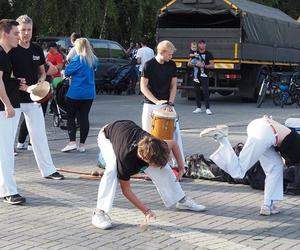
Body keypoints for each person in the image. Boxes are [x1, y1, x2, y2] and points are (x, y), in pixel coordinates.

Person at [92, 120, 206, 229]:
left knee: (164, 168)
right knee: (112, 170)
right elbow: (126, 191)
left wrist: (181, 167)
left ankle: (180, 199)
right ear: (144, 159)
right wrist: (146, 211)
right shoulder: (126, 160)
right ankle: (98, 212)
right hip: (107, 135)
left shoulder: (156, 144)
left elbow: (174, 144)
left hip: (126, 129)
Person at [200, 115, 300, 216]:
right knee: (238, 172)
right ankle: (222, 138)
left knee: (275, 166)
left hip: (262, 128)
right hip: (265, 133)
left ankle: (268, 204)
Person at [9, 15, 64, 181]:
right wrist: (17, 83)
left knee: (39, 135)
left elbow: (42, 71)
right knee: (7, 139)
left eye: (29, 30)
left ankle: (48, 170)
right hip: (14, 100)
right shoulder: (10, 49)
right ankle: (7, 176)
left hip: (34, 99)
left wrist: (41, 81)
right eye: (23, 30)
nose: (26, 33)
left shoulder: (37, 49)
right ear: (17, 30)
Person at [140, 40, 186, 166]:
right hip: (150, 105)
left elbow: (173, 86)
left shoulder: (171, 65)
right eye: (170, 54)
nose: (171, 57)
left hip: (167, 104)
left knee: (175, 134)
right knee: (147, 137)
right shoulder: (148, 65)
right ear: (162, 52)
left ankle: (178, 164)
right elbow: (143, 87)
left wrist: (170, 103)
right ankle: (146, 165)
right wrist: (156, 101)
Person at [0, 19, 25, 204]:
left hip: (8, 107)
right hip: (4, 110)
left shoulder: (6, 54)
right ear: (5, 33)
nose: (20, 36)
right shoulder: (1, 53)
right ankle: (9, 191)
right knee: (6, 152)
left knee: (6, 150)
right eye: (16, 33)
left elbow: (4, 80)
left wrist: (17, 83)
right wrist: (8, 105)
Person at [61, 38, 97, 153]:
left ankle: (72, 142)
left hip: (76, 92)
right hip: (89, 93)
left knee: (71, 117)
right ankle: (82, 145)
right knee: (84, 117)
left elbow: (67, 72)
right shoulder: (94, 59)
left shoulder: (77, 59)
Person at [188, 40, 214, 115]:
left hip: (204, 75)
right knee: (197, 91)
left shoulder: (208, 54)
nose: (202, 45)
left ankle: (207, 108)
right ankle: (198, 108)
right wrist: (196, 65)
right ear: (198, 45)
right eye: (200, 44)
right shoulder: (195, 53)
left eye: (203, 44)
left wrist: (203, 66)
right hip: (196, 76)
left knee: (206, 91)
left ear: (205, 45)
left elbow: (212, 65)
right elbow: (189, 64)